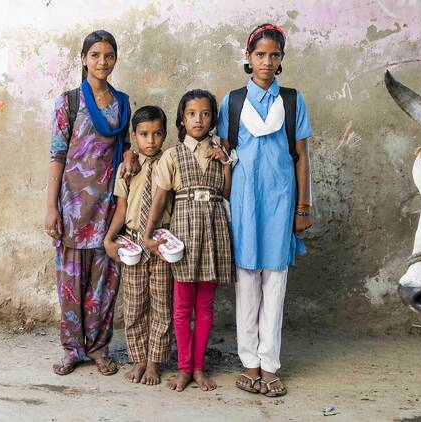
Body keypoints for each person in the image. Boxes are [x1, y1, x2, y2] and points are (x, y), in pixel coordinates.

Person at [216, 24, 314, 397]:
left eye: (274, 55)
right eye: (260, 55)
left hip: (280, 199)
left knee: (275, 282)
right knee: (247, 283)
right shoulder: (234, 102)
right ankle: (249, 362)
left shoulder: (291, 101)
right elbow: (226, 153)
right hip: (243, 201)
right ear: (248, 57)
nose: (267, 61)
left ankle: (270, 364)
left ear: (281, 60)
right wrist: (224, 197)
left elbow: (302, 156)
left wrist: (302, 207)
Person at [45, 29, 138, 376]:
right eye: (95, 55)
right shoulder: (68, 101)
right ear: (84, 59)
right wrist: (51, 205)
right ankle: (72, 349)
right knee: (70, 280)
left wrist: (129, 155)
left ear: (115, 60)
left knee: (105, 279)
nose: (102, 61)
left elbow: (126, 144)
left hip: (109, 205)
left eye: (109, 55)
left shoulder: (122, 103)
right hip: (71, 204)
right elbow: (57, 153)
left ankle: (99, 347)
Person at [144, 89, 234, 392]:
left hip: (213, 228)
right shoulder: (172, 155)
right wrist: (148, 232)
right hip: (183, 232)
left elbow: (227, 193)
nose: (199, 119)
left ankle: (198, 368)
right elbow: (159, 198)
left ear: (213, 118)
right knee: (182, 306)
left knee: (206, 305)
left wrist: (225, 162)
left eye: (206, 113)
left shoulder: (221, 150)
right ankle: (183, 368)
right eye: (192, 114)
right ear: (182, 118)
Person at [104, 106, 172, 385]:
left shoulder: (171, 162)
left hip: (161, 243)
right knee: (133, 306)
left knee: (162, 305)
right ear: (134, 135)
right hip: (132, 241)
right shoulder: (127, 169)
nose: (151, 140)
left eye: (157, 133)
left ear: (166, 135)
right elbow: (121, 208)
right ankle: (139, 359)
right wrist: (109, 238)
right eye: (144, 134)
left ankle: (155, 362)